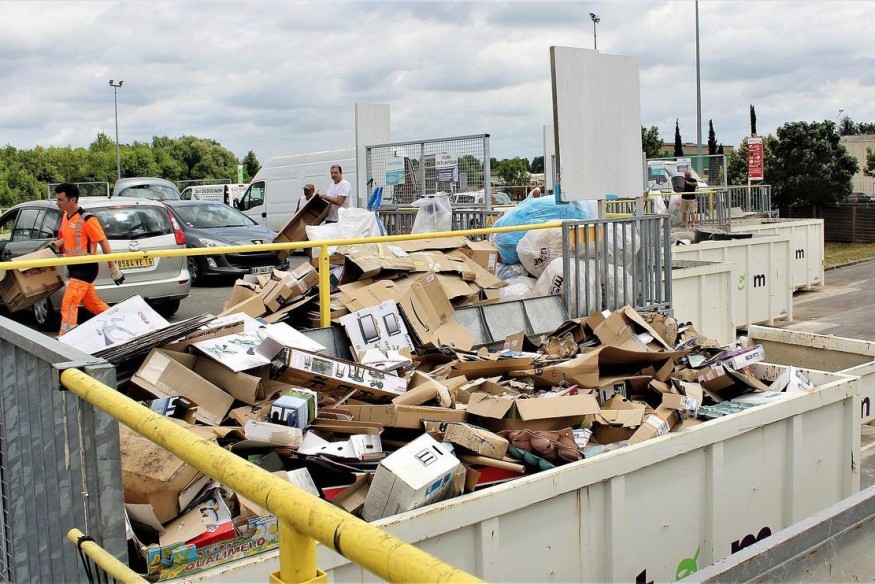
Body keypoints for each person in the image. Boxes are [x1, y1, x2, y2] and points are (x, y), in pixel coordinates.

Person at [49, 183, 125, 336]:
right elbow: (70, 237)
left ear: (72, 200)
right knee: (92, 303)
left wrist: (114, 269)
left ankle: (66, 336)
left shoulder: (88, 219)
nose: (57, 203)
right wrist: (58, 243)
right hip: (73, 266)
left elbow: (103, 242)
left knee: (69, 302)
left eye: (60, 200)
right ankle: (120, 322)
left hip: (85, 268)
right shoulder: (66, 215)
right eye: (57, 199)